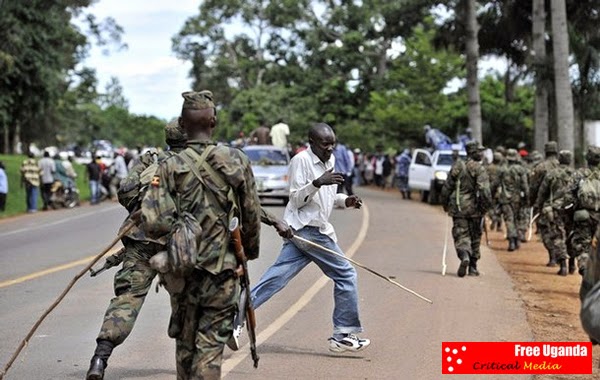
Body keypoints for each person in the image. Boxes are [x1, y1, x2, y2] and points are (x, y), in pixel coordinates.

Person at [141, 90, 262, 379]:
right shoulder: (236, 160)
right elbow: (251, 216)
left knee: (185, 346)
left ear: (183, 124)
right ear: (214, 122)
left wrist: (178, 237)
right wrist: (248, 253)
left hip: (183, 273)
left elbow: (152, 218)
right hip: (222, 272)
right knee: (209, 351)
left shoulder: (168, 166)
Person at [248, 122, 370, 353]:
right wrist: (316, 183)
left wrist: (346, 201)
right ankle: (343, 334)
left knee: (276, 277)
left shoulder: (330, 161)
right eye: (325, 144)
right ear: (312, 143)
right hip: (308, 230)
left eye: (333, 143)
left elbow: (327, 199)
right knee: (346, 274)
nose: (330, 148)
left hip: (307, 230)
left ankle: (235, 316)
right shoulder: (300, 161)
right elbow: (295, 200)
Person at [85, 120, 190, 380]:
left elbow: (126, 191)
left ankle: (100, 358)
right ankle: (187, 366)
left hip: (140, 242)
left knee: (126, 301)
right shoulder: (196, 163)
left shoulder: (150, 159)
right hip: (178, 247)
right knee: (186, 304)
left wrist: (143, 212)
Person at [441, 141, 492, 277]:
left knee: (461, 235)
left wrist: (444, 204)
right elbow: (485, 191)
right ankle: (473, 268)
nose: (482, 154)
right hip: (475, 209)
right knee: (475, 237)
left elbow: (447, 187)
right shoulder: (479, 169)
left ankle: (464, 256)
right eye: (479, 151)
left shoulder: (458, 166)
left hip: (458, 208)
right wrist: (485, 207)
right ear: (473, 152)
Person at [536, 150, 574, 275]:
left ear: (559, 159)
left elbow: (542, 192)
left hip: (556, 209)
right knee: (571, 235)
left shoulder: (552, 174)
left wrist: (538, 205)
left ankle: (563, 265)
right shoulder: (576, 174)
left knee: (558, 236)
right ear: (570, 160)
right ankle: (572, 264)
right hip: (571, 209)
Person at [529, 141, 560, 266]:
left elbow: (534, 187)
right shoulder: (562, 165)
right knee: (560, 230)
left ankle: (553, 256)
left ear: (545, 152)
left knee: (545, 230)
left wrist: (533, 202)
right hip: (562, 205)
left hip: (545, 205)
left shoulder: (540, 167)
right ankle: (562, 258)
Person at [492, 149, 528, 252]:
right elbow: (525, 186)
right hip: (518, 199)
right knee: (517, 219)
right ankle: (516, 240)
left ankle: (511, 241)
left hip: (505, 199)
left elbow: (495, 184)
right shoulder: (521, 170)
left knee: (509, 220)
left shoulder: (502, 170)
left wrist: (490, 195)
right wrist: (527, 198)